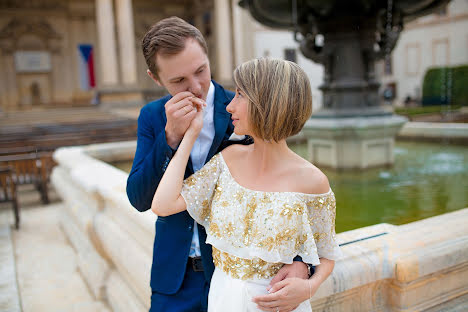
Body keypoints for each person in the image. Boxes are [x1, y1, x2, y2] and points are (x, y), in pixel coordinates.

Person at [126, 17, 312, 312]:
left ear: (207, 55)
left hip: (237, 277)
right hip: (174, 278)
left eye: (201, 70)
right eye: (178, 81)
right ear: (156, 78)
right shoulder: (151, 117)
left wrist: (302, 263)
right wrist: (170, 137)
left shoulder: (244, 109)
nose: (196, 86)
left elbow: (289, 189)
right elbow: (139, 199)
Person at [151, 58, 342, 312]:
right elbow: (162, 205)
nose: (230, 105)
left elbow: (327, 255)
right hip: (222, 299)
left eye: (241, 94)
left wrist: (310, 286)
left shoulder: (313, 181)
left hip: (278, 306)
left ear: (267, 101)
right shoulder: (227, 160)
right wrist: (190, 134)